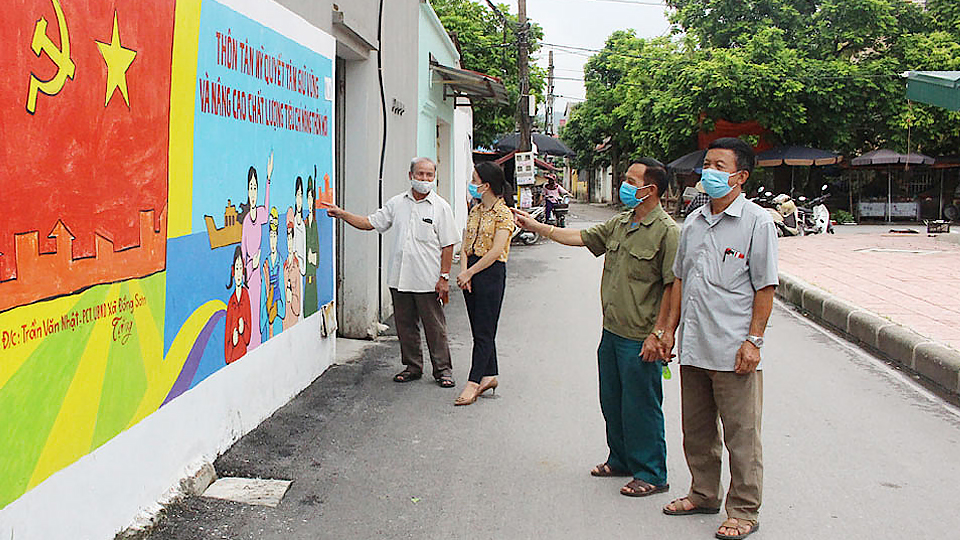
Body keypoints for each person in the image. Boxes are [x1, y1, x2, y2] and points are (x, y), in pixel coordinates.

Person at [512, 158, 679, 498]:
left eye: (632, 180)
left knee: (642, 406)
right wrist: (537, 226)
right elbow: (578, 236)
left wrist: (662, 333)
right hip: (613, 332)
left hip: (641, 337)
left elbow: (673, 287)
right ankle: (621, 460)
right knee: (613, 400)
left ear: (651, 189)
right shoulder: (620, 224)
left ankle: (652, 472)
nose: (625, 184)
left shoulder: (667, 232)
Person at [660, 137, 777, 540]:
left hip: (733, 350)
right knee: (697, 431)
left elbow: (765, 288)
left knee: (741, 435)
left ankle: (744, 509)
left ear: (741, 176)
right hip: (694, 347)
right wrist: (668, 331)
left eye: (720, 166)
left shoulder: (757, 223)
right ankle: (703, 492)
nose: (709, 171)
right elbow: (679, 279)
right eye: (707, 163)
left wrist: (753, 341)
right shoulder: (692, 222)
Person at [321, 157, 460, 387]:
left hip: (428, 280)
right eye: (420, 174)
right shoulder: (397, 204)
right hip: (400, 278)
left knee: (435, 327)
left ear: (434, 178)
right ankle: (413, 366)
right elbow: (370, 223)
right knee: (405, 326)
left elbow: (448, 245)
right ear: (410, 175)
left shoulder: (441, 208)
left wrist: (444, 277)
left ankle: (443, 370)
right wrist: (343, 214)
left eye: (429, 175)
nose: (424, 179)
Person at [454, 162, 515, 406]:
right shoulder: (476, 210)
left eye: (474, 179)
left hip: (490, 273)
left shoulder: (504, 214)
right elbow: (465, 241)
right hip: (471, 270)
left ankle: (473, 381)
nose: (471, 183)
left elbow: (496, 251)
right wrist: (463, 271)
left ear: (486, 185)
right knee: (479, 328)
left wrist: (470, 273)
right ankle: (489, 375)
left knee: (485, 330)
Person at [239, 152, 272, 350]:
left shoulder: (259, 214)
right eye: (250, 188)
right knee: (249, 312)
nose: (253, 193)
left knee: (257, 310)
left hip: (258, 275)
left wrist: (268, 179)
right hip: (250, 272)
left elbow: (267, 211)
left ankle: (256, 344)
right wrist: (250, 265)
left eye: (255, 188)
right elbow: (243, 253)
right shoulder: (245, 223)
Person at [224, 245, 252, 364]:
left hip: (243, 355)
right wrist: (232, 340)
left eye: (240, 268)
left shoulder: (245, 297)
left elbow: (248, 336)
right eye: (237, 268)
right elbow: (227, 335)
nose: (239, 273)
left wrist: (243, 329)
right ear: (233, 271)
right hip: (233, 357)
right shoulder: (231, 302)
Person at [260, 207, 285, 339]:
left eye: (274, 237)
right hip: (267, 305)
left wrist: (278, 308)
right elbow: (263, 292)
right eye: (270, 237)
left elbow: (282, 286)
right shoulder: (266, 263)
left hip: (277, 306)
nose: (273, 241)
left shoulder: (280, 262)